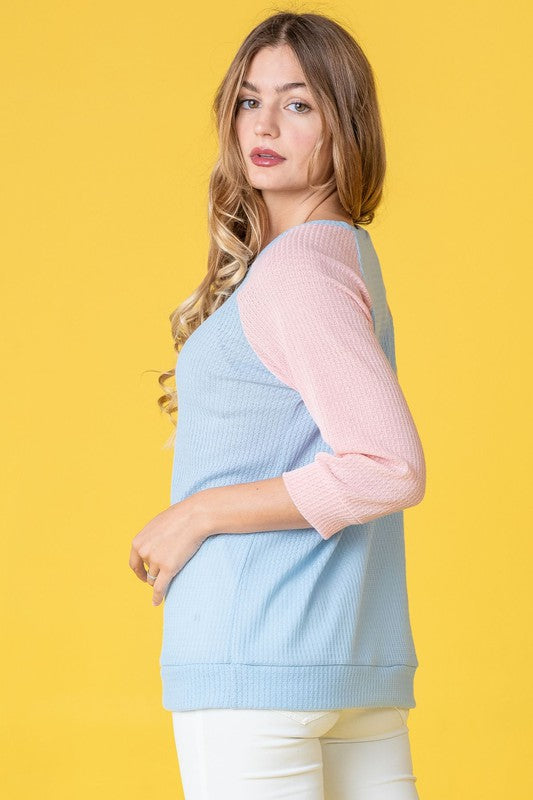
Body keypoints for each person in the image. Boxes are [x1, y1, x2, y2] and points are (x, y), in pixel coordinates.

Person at [129, 10, 426, 799]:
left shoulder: (300, 270)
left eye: (297, 103)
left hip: (253, 659)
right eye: (247, 100)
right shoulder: (339, 253)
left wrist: (198, 512)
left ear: (343, 123)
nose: (262, 124)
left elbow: (386, 468)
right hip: (346, 665)